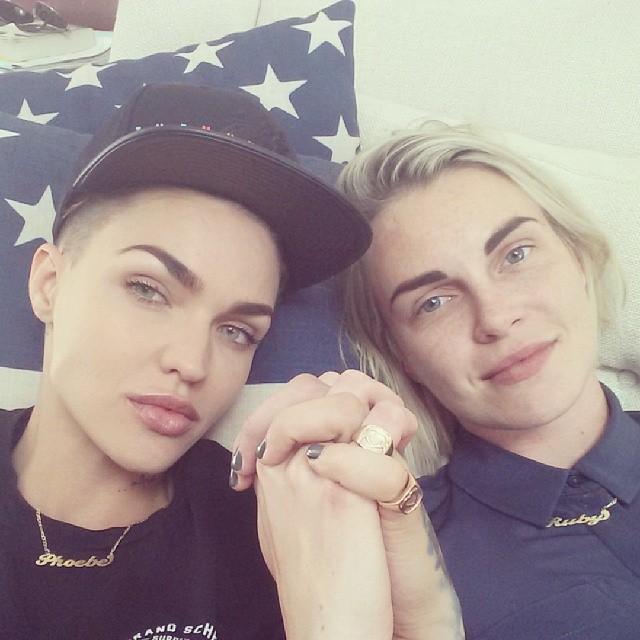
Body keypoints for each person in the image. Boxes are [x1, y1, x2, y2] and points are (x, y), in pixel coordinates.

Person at [0, 81, 462, 639]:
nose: (192, 363)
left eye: (237, 331)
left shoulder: (275, 533)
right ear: (49, 283)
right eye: (149, 290)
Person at [233, 121, 639, 639]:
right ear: (402, 358)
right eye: (434, 302)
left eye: (515, 254)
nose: (495, 317)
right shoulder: (391, 559)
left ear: (578, 259)